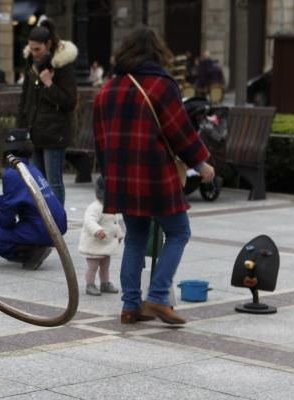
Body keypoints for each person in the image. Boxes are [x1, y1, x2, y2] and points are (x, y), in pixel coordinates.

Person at [93, 26, 214, 325]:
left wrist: (106, 174)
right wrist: (201, 164)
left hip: (122, 176)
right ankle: (158, 298)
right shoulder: (162, 85)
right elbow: (180, 131)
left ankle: (130, 306)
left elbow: (99, 139)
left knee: (135, 237)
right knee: (179, 232)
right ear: (157, 52)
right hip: (154, 174)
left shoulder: (107, 88)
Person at [0, 128, 67, 271]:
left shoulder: (13, 173)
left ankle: (31, 254)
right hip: (57, 227)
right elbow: (9, 199)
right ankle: (34, 245)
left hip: (42, 229)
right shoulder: (31, 168)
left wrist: (3, 229)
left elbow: (8, 209)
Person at [16, 20, 77, 206]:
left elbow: (69, 101)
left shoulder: (62, 66)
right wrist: (20, 129)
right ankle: (43, 223)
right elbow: (25, 100)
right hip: (35, 133)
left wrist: (49, 84)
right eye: (31, 49)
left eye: (38, 49)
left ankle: (57, 224)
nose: (34, 54)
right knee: (38, 183)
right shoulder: (31, 66)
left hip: (55, 133)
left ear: (48, 45)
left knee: (53, 183)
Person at [78, 175, 123, 296]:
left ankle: (105, 283)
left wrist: (119, 234)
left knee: (105, 266)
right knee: (93, 266)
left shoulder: (110, 207)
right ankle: (90, 284)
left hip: (105, 245)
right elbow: (89, 221)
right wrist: (97, 230)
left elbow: (115, 222)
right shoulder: (95, 207)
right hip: (94, 244)